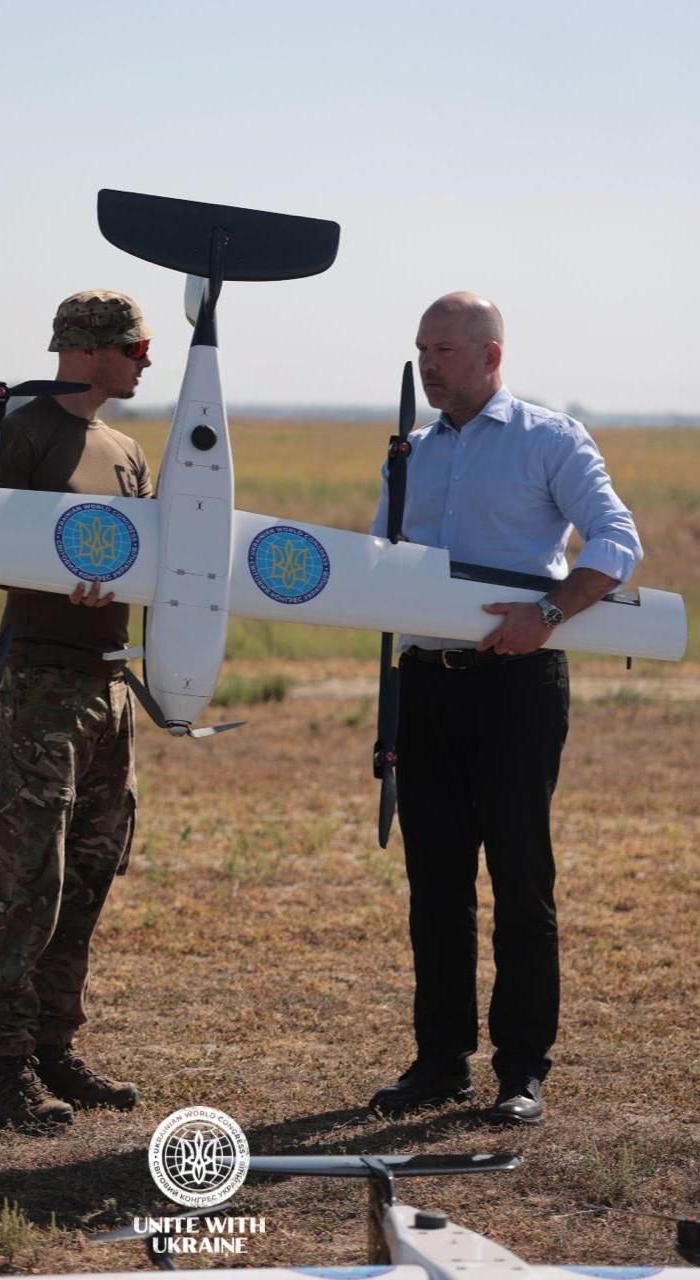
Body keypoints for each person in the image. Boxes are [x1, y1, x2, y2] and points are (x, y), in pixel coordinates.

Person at [368, 292, 642, 1126]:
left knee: (521, 878)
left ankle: (521, 1068)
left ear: (491, 354)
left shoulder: (548, 439)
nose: (429, 364)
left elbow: (615, 544)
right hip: (424, 685)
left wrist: (547, 615)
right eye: (421, 349)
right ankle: (439, 1062)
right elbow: (378, 560)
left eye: (444, 348)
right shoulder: (407, 452)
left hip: (516, 688)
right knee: (434, 882)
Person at [0, 290, 153, 1128]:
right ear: (91, 349)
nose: (147, 360)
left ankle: (52, 1047)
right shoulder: (15, 434)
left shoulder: (127, 448)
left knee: (91, 869)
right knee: (28, 871)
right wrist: (49, 570)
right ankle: (1, 1070)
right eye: (136, 346)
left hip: (112, 681)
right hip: (41, 678)